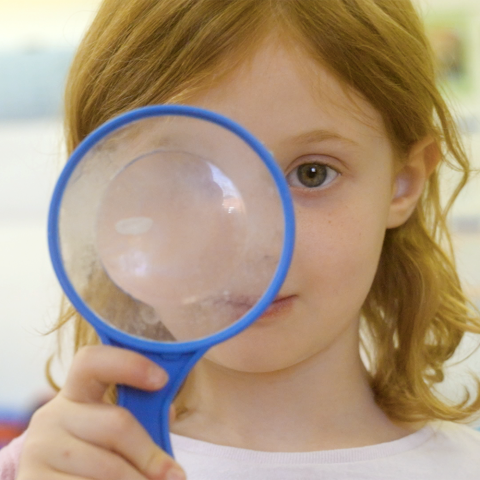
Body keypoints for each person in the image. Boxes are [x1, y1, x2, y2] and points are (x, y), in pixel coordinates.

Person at [2, 0, 480, 478]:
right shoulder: (46, 468)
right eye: (186, 177)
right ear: (103, 192)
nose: (255, 246)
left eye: (312, 174)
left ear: (403, 182)